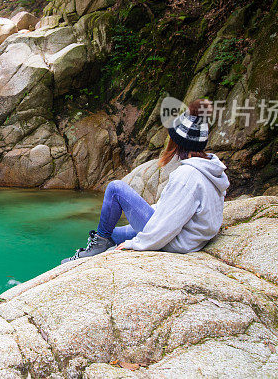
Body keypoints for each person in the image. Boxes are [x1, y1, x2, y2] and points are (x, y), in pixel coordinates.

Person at [62, 99, 229, 263]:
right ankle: (99, 244)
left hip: (176, 241)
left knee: (115, 188)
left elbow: (164, 228)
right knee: (111, 233)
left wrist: (135, 244)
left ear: (178, 142)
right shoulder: (210, 168)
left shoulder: (187, 176)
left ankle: (97, 247)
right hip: (190, 237)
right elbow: (178, 211)